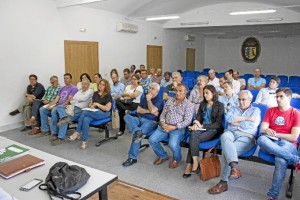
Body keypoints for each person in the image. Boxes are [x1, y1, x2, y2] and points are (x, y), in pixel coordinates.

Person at [208, 90, 261, 195]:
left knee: (227, 152)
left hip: (247, 136)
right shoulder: (233, 108)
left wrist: (236, 122)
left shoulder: (256, 110)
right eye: (239, 99)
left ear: (250, 100)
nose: (241, 102)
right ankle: (234, 169)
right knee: (224, 136)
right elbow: (229, 119)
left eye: (243, 99)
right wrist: (246, 119)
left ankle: (223, 182)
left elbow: (251, 126)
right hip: (231, 132)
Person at [257, 88, 300, 200]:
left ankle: (272, 195)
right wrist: (266, 130)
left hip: (288, 143)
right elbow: (262, 129)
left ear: (289, 98)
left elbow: (294, 137)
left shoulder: (296, 113)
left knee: (280, 160)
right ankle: (296, 159)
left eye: (281, 97)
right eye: (276, 97)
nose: (278, 99)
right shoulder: (271, 111)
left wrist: (276, 134)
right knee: (261, 140)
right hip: (270, 141)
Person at [183, 85, 224, 178]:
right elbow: (198, 117)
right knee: (193, 133)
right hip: (202, 128)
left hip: (213, 129)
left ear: (213, 93)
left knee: (193, 138)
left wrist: (202, 126)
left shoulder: (220, 105)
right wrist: (195, 124)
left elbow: (217, 124)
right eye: (204, 93)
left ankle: (190, 165)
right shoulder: (203, 104)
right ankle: (195, 161)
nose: (204, 95)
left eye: (207, 93)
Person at [149, 84, 193, 169]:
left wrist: (174, 127)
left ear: (185, 93)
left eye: (180, 91)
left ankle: (176, 159)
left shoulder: (189, 105)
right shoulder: (169, 101)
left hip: (177, 128)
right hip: (164, 125)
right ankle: (163, 156)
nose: (177, 93)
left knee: (172, 144)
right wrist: (162, 123)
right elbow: (163, 114)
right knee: (152, 140)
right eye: (176, 91)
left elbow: (187, 121)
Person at [122, 83, 164, 167]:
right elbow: (138, 110)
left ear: (157, 91)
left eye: (153, 89)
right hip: (140, 118)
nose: (150, 90)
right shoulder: (145, 97)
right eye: (150, 88)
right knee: (127, 116)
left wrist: (149, 100)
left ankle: (132, 158)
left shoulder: (159, 100)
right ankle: (136, 130)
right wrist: (150, 111)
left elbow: (153, 111)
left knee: (137, 136)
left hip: (151, 121)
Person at [68, 79, 112, 149]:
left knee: (84, 112)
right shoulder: (95, 93)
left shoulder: (107, 95)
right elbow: (92, 104)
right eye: (100, 84)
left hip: (104, 113)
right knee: (86, 119)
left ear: (106, 86)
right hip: (95, 112)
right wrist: (91, 106)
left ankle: (77, 132)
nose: (100, 86)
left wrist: (98, 104)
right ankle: (84, 141)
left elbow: (107, 108)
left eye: (103, 85)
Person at [50, 79, 93, 145]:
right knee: (58, 107)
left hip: (80, 110)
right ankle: (64, 118)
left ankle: (60, 138)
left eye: (85, 84)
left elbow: (83, 98)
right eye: (83, 84)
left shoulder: (90, 91)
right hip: (72, 107)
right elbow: (72, 99)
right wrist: (76, 99)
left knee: (65, 120)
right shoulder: (80, 90)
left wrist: (76, 99)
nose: (83, 85)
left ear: (88, 85)